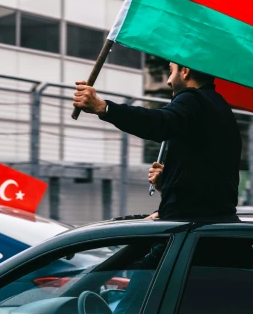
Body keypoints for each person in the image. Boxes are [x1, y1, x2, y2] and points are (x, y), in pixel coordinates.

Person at [73, 62, 242, 221]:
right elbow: (207, 178)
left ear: (185, 71)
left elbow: (159, 123)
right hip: (206, 224)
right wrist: (167, 182)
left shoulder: (193, 99)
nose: (168, 81)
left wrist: (103, 107)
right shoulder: (220, 107)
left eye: (170, 71)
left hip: (189, 228)